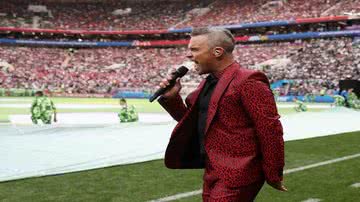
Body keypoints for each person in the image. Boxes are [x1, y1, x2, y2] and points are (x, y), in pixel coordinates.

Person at [157, 27, 286, 201]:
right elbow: (194, 124)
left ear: (217, 52)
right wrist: (172, 99)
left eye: (194, 49)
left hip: (240, 172)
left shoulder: (249, 80)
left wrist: (273, 173)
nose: (188, 55)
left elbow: (270, 130)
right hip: (212, 169)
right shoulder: (207, 84)